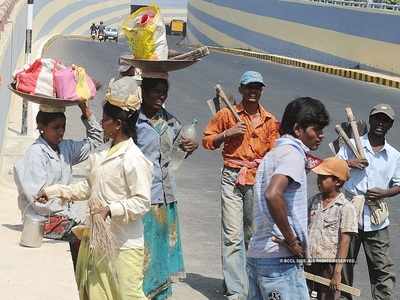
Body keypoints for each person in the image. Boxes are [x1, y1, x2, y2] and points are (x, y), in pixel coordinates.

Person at [37, 76, 153, 300]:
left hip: (124, 247)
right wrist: (52, 191)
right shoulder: (101, 154)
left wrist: (111, 210)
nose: (101, 123)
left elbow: (141, 202)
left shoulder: (133, 159)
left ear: (118, 124)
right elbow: (88, 187)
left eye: (105, 119)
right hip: (98, 245)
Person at [202, 71, 279, 299]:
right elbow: (207, 141)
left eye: (257, 87)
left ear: (262, 90)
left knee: (253, 235)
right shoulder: (227, 114)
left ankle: (248, 282)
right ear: (241, 89)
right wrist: (228, 133)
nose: (253, 91)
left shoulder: (270, 121)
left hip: (257, 178)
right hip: (232, 177)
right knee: (232, 235)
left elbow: (275, 154)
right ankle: (236, 291)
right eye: (249, 87)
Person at [246, 97, 329, 300]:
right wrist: (292, 241)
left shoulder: (273, 154)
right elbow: (273, 194)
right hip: (279, 261)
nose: (320, 135)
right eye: (316, 130)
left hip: (259, 255)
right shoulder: (292, 155)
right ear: (298, 129)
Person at [14, 102, 102, 266]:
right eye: (56, 128)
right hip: (44, 220)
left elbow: (96, 141)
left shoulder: (65, 147)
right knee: (86, 240)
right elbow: (41, 202)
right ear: (41, 127)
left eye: (63, 127)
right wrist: (74, 217)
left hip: (65, 217)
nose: (61, 132)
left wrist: (86, 111)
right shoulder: (35, 154)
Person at [136, 73, 198, 299]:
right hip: (142, 195)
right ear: (144, 93)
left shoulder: (171, 122)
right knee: (144, 247)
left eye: (164, 92)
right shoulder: (134, 122)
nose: (161, 96)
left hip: (165, 196)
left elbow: (179, 154)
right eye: (156, 91)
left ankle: (159, 292)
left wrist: (191, 146)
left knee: (161, 247)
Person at [337, 104, 399, 300]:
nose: (380, 123)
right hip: (350, 213)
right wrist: (349, 163)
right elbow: (331, 168)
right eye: (377, 119)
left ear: (390, 125)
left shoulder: (394, 156)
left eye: (385, 120)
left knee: (383, 269)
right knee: (344, 264)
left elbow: (399, 183)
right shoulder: (352, 146)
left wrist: (386, 192)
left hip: (376, 217)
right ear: (370, 120)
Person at [306, 157, 357, 300]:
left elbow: (345, 241)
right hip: (310, 261)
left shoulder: (346, 208)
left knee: (328, 296)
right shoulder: (314, 201)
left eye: (323, 178)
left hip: (330, 265)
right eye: (318, 177)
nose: (318, 181)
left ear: (338, 182)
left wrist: (337, 272)